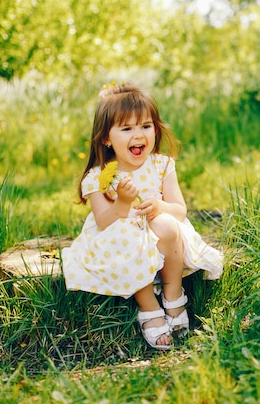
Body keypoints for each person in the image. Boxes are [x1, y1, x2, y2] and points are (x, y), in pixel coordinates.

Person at [62, 82, 223, 350]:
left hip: (161, 233)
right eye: (126, 129)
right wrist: (123, 202)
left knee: (170, 226)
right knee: (127, 236)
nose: (138, 135)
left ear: (155, 129)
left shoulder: (161, 165)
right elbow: (104, 222)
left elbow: (180, 210)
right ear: (106, 138)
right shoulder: (99, 176)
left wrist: (159, 207)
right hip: (116, 239)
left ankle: (173, 295)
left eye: (145, 126)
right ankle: (148, 306)